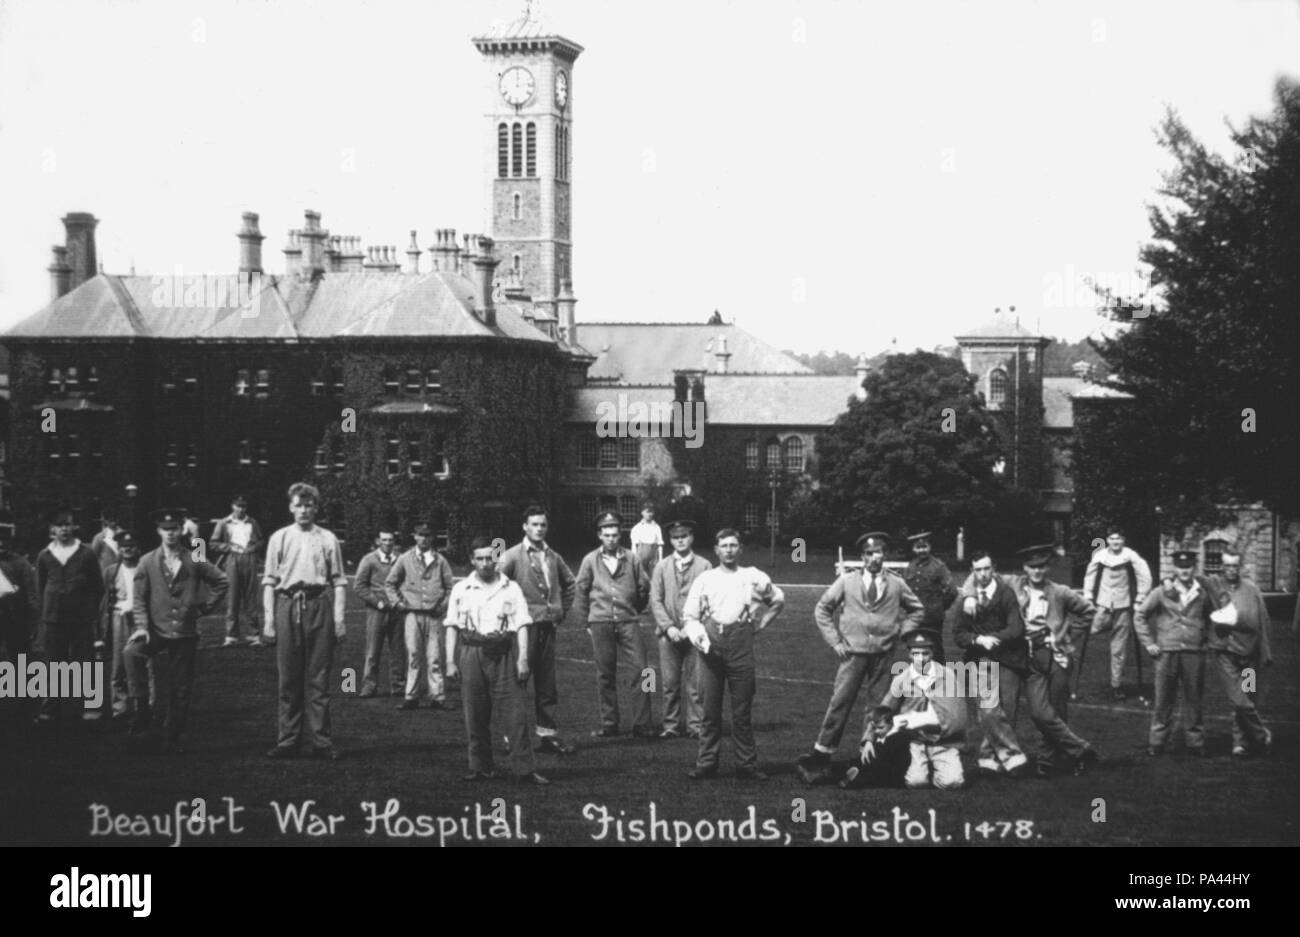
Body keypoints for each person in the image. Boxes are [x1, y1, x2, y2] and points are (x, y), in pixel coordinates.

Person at [958, 544, 1100, 776]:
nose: (1037, 572)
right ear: (1024, 568)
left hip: (1051, 654)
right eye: (1032, 567)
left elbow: (1088, 612)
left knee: (1047, 711)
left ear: (1048, 567)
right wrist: (970, 597)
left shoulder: (1060, 591)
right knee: (1005, 706)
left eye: (1042, 566)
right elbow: (978, 577)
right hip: (1018, 654)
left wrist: (1064, 635)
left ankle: (1053, 757)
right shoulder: (1013, 583)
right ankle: (997, 757)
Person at [797, 532, 924, 779]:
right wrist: (835, 640)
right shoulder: (847, 581)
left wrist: (900, 630)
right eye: (868, 553)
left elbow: (917, 610)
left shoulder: (896, 583)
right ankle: (822, 752)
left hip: (883, 654)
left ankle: (868, 752)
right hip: (852, 654)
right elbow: (822, 608)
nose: (874, 558)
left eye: (878, 553)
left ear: (884, 555)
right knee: (840, 701)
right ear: (862, 557)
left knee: (878, 705)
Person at [444, 536, 550, 785]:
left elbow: (522, 623)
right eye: (479, 558)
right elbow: (451, 626)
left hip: (503, 653)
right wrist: (449, 660)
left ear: (496, 560)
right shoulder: (462, 588)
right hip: (471, 653)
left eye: (489, 558)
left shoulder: (510, 587)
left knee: (515, 714)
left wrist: (523, 658)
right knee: (475, 714)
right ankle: (480, 767)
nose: (484, 563)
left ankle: (524, 769)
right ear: (472, 560)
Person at [680, 528, 785, 780]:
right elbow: (689, 616)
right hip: (711, 648)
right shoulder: (705, 579)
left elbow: (778, 598)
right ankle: (706, 763)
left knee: (742, 711)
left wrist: (760, 624)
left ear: (741, 549)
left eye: (733, 545)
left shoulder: (752, 576)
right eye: (723, 545)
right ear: (716, 550)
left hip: (741, 648)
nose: (728, 550)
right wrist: (700, 638)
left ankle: (746, 765)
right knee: (710, 710)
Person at [125, 509, 227, 754]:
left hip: (184, 631)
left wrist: (203, 608)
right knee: (131, 653)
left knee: (180, 686)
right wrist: (141, 627)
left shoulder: (194, 557)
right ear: (158, 531)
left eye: (174, 529)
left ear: (181, 531)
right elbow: (139, 598)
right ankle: (142, 707)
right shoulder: (148, 561)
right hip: (156, 630)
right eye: (165, 529)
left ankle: (173, 733)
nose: (170, 534)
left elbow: (222, 580)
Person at [262, 482, 347, 760]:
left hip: (318, 604)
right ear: (291, 507)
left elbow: (338, 581)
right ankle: (288, 740)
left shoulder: (327, 538)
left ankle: (322, 742)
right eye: (299, 505)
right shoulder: (279, 537)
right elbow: (269, 582)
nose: (304, 510)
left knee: (318, 678)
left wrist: (338, 619)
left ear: (316, 508)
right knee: (289, 678)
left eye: (309, 505)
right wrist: (269, 621)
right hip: (287, 605)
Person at [497, 505, 578, 754]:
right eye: (534, 524)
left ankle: (548, 735)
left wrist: (559, 611)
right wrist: (509, 619)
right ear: (525, 526)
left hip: (547, 627)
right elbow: (497, 586)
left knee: (546, 684)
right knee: (519, 680)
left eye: (543, 524)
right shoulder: (511, 555)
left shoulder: (552, 556)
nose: (539, 529)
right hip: (523, 629)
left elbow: (570, 584)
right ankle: (513, 737)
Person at [1134, 550, 1226, 757]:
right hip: (1167, 652)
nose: (1185, 571)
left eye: (1189, 567)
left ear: (1194, 568)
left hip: (1194, 652)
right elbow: (1140, 615)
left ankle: (1195, 742)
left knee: (1194, 698)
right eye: (1181, 567)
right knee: (1163, 699)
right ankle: (1157, 742)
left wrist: (1209, 640)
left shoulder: (1202, 592)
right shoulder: (1161, 591)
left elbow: (1215, 616)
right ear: (1174, 568)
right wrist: (1149, 642)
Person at [949, 550, 1030, 777]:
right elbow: (958, 633)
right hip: (979, 658)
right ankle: (1014, 757)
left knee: (1007, 709)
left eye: (986, 568)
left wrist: (993, 639)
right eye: (978, 570)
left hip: (1009, 657)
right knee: (988, 709)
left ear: (993, 568)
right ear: (972, 572)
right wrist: (977, 639)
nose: (983, 574)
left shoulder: (1006, 594)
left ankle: (988, 757)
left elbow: (1016, 629)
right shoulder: (968, 600)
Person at [573, 511, 653, 739]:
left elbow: (643, 587)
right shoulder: (590, 560)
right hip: (601, 622)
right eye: (607, 535)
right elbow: (581, 591)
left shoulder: (632, 558)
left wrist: (635, 609)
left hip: (629, 621)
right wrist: (586, 621)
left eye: (615, 535)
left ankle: (644, 722)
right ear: (600, 535)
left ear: (621, 535)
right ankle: (609, 723)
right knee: (605, 674)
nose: (611, 539)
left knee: (645, 670)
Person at [863, 631, 967, 790]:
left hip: (943, 740)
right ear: (909, 655)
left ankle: (938, 767)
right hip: (914, 741)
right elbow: (885, 708)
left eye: (925, 653)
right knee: (915, 782)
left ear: (932, 653)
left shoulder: (947, 676)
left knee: (953, 782)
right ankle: (924, 767)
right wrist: (869, 739)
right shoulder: (901, 679)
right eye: (915, 653)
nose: (920, 658)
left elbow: (957, 714)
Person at [34, 507, 105, 725]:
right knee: (54, 663)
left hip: (81, 619)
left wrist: (88, 610)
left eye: (68, 524)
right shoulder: (44, 556)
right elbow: (41, 586)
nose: (64, 529)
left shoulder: (86, 553)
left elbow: (98, 586)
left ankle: (91, 707)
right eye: (59, 525)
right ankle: (51, 709)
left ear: (74, 527)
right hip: (54, 619)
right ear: (52, 529)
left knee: (86, 662)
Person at [1206, 548, 1273, 757]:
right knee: (1238, 699)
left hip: (1249, 656)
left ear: (1240, 566)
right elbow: (1194, 580)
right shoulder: (1214, 588)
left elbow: (1263, 620)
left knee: (1248, 697)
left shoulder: (1252, 590)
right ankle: (1261, 734)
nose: (1231, 569)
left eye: (1235, 565)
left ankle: (1240, 742)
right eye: (1227, 565)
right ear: (1222, 567)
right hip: (1225, 654)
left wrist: (1265, 651)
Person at [649, 519, 710, 740]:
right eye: (675, 537)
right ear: (670, 540)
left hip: (694, 634)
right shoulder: (661, 566)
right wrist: (668, 627)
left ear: (692, 537)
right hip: (668, 635)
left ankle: (696, 726)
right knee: (669, 683)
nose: (680, 540)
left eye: (684, 536)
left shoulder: (704, 565)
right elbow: (655, 600)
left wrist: (689, 628)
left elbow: (707, 601)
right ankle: (671, 725)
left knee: (696, 684)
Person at [384, 522, 455, 711]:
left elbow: (450, 587)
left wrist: (443, 606)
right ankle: (411, 696)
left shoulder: (440, 560)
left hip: (433, 615)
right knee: (414, 655)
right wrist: (398, 603)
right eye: (419, 535)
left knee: (434, 657)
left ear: (432, 538)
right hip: (412, 614)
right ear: (414, 537)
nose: (423, 539)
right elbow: (390, 583)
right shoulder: (405, 558)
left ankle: (438, 696)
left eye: (427, 535)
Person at [1082, 528, 1153, 701]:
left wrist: (1140, 597)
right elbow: (1090, 576)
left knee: (1118, 649)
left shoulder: (1130, 555)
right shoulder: (1100, 555)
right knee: (1088, 630)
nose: (1115, 542)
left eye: (1119, 539)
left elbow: (1145, 575)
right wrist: (1088, 597)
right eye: (1112, 539)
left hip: (1123, 607)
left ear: (1123, 540)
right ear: (1107, 540)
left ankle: (1116, 684)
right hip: (1103, 606)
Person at [353, 530, 404, 698]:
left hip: (396, 611)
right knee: (373, 650)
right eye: (384, 540)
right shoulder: (369, 560)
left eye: (390, 540)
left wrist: (400, 600)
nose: (388, 543)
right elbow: (359, 586)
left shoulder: (400, 559)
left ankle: (398, 686)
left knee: (398, 651)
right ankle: (369, 686)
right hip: (377, 612)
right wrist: (377, 602)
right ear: (378, 541)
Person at [210, 494, 265, 648]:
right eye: (238, 506)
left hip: (249, 558)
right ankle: (231, 635)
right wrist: (229, 547)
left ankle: (253, 635)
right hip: (232, 559)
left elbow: (261, 540)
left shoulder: (252, 522)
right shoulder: (224, 523)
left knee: (251, 598)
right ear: (232, 506)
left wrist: (253, 548)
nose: (240, 509)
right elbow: (213, 543)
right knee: (233, 598)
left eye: (243, 507)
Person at [99, 530, 141, 721]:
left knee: (143, 663)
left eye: (131, 546)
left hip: (141, 618)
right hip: (119, 619)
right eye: (124, 547)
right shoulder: (111, 571)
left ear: (137, 548)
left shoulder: (145, 567)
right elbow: (104, 601)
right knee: (118, 666)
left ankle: (145, 705)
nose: (128, 550)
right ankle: (120, 708)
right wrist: (101, 631)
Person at [0, 517, 39, 707]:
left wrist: (33, 622)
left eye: (3, 541)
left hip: (16, 617)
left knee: (20, 657)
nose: (0, 544)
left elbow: (32, 594)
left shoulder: (20, 563)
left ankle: (25, 698)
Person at [902, 531, 958, 663]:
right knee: (915, 648)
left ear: (929, 547)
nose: (922, 550)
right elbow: (905, 591)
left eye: (924, 547)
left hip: (933, 617)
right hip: (915, 617)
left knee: (935, 649)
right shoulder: (910, 567)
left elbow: (952, 591)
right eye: (918, 547)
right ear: (913, 549)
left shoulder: (938, 566)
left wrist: (939, 606)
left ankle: (940, 680)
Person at [629, 503, 664, 579]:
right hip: (641, 553)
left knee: (655, 576)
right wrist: (634, 559)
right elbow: (634, 546)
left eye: (651, 512)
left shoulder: (657, 527)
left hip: (654, 554)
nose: (649, 514)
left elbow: (660, 544)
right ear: (642, 513)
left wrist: (661, 559)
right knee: (642, 576)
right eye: (647, 511)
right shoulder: (637, 527)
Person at [90, 509, 122, 575]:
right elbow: (93, 557)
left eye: (115, 520)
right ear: (106, 521)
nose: (113, 523)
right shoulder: (99, 537)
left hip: (121, 570)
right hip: (106, 571)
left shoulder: (123, 534)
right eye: (110, 520)